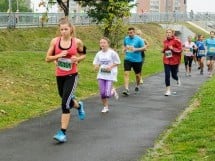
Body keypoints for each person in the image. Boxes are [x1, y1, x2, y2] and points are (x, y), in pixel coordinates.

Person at [45, 18, 86, 143]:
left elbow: (84, 53)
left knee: (65, 104)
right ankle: (79, 106)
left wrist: (77, 59)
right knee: (63, 97)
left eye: (66, 29)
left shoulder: (77, 42)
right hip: (60, 75)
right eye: (61, 29)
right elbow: (47, 58)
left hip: (72, 75)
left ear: (71, 29)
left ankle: (62, 133)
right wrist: (58, 56)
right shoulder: (55, 41)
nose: (63, 32)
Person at [93, 37, 121, 113]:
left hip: (110, 75)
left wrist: (111, 66)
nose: (102, 44)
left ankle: (113, 90)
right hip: (101, 75)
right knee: (102, 93)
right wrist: (96, 66)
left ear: (108, 44)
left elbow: (118, 62)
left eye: (104, 43)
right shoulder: (99, 53)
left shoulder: (112, 53)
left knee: (107, 94)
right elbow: (96, 62)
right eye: (101, 43)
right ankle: (105, 107)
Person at [122, 27, 145, 96]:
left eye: (131, 33)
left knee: (138, 75)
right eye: (128, 33)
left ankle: (137, 85)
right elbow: (124, 45)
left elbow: (144, 48)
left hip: (137, 60)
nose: (130, 34)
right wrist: (124, 49)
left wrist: (136, 49)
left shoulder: (139, 39)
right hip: (128, 59)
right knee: (126, 73)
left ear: (134, 32)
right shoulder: (126, 38)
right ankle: (126, 89)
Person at [162, 29, 182, 96]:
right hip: (166, 60)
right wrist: (163, 50)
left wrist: (172, 48)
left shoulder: (176, 41)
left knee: (173, 75)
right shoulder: (165, 41)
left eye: (169, 32)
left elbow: (180, 50)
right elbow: (165, 49)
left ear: (172, 33)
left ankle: (177, 78)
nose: (168, 33)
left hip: (174, 61)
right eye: (167, 32)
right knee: (167, 75)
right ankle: (168, 90)